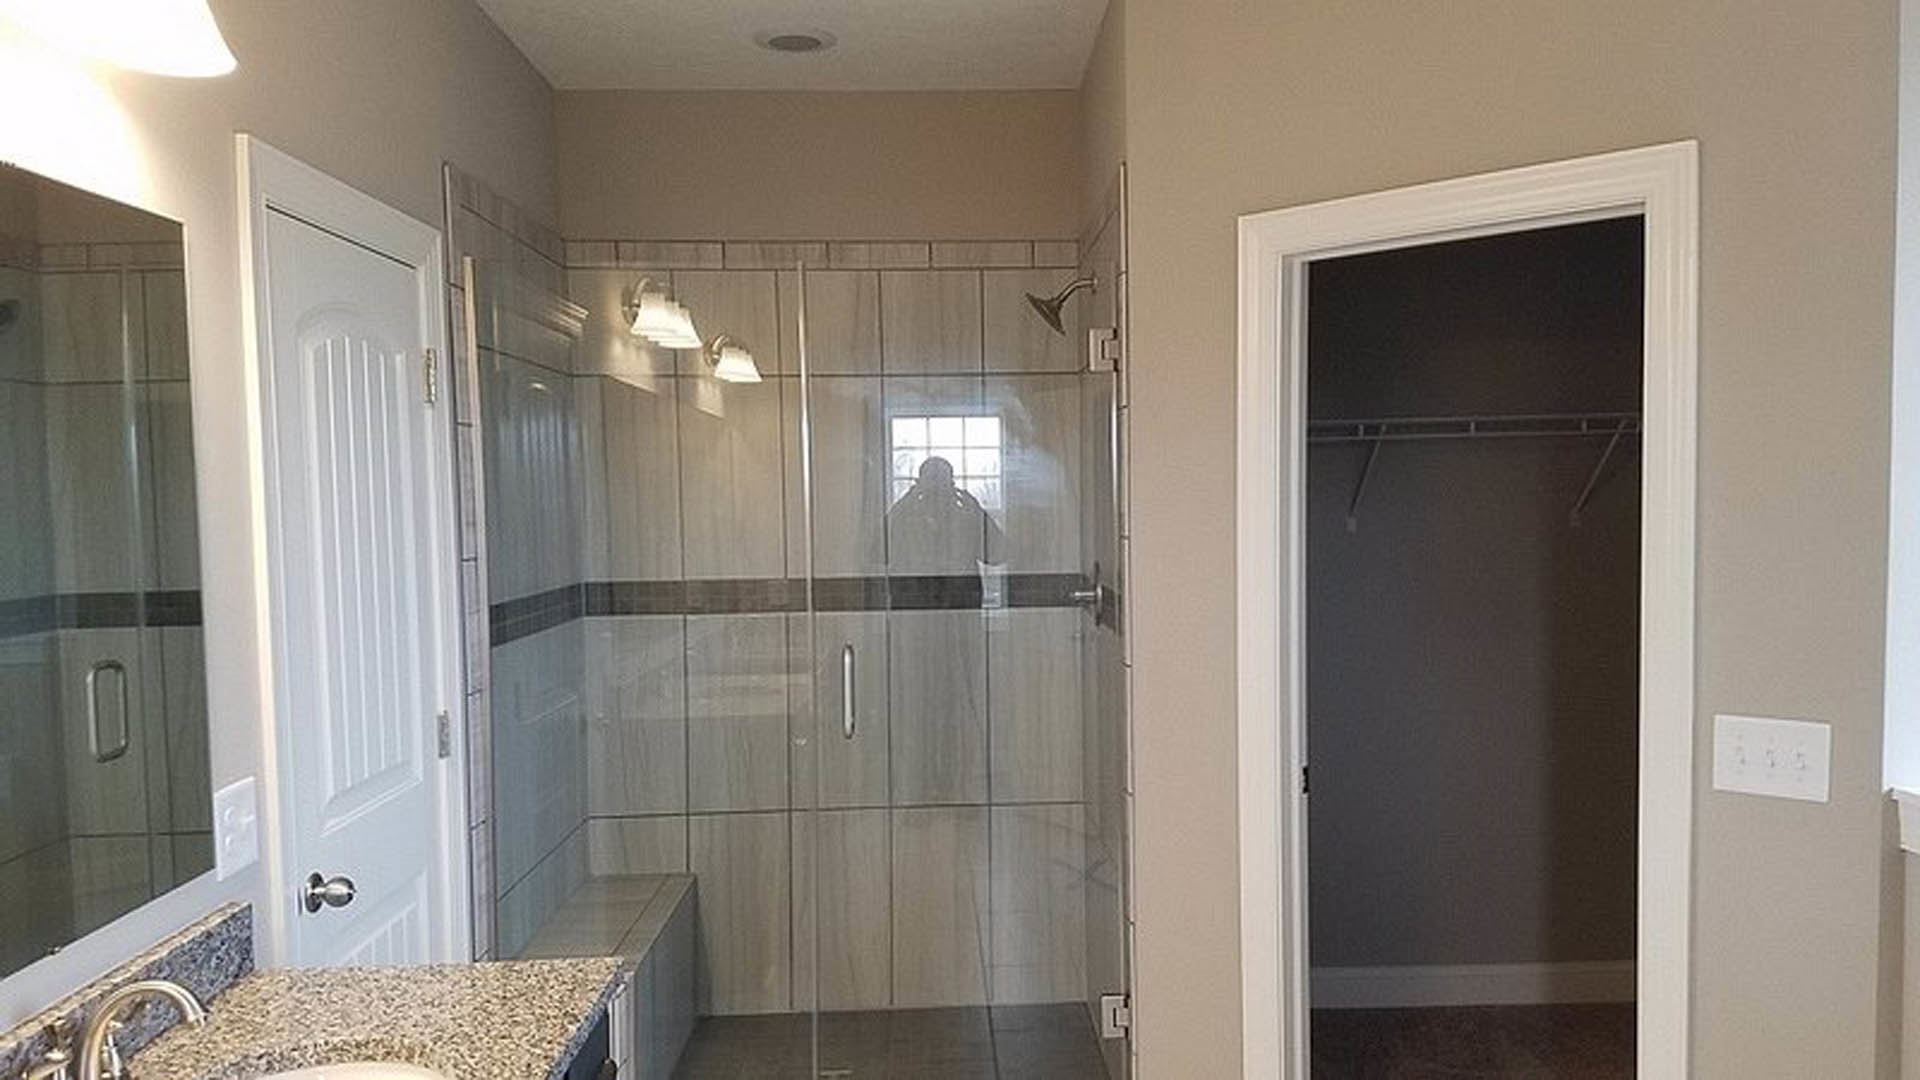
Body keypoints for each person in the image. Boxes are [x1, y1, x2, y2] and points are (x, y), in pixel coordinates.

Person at [884, 455, 1005, 574]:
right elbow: (878, 553)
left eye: (941, 485)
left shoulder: (966, 519)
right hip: (919, 592)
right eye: (932, 485)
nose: (937, 492)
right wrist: (904, 505)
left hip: (958, 592)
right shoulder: (905, 520)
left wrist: (978, 513)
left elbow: (998, 555)